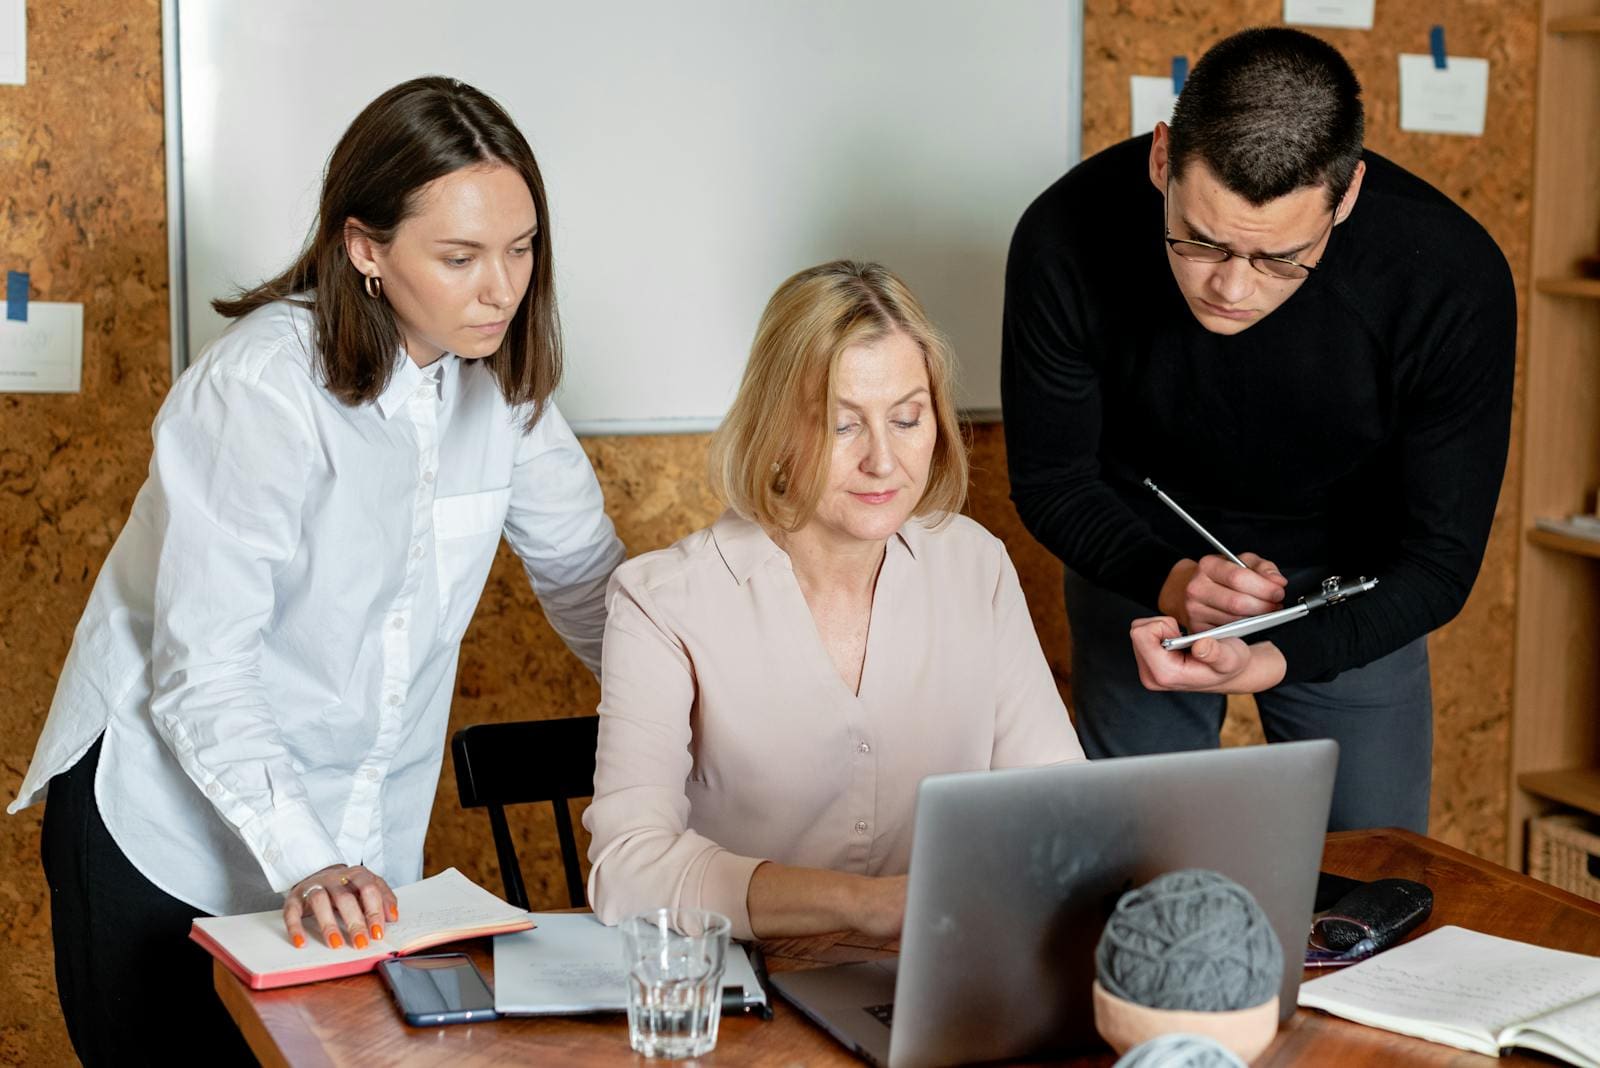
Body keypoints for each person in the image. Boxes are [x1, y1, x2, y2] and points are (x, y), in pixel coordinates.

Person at [8, 77, 624, 1065]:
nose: (501, 288)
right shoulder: (260, 392)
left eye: (522, 249)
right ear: (364, 248)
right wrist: (310, 860)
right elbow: (206, 668)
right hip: (166, 835)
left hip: (350, 851)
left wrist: (717, 723)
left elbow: (591, 583)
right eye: (460, 257)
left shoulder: (503, 388)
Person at [1001, 27, 1515, 834]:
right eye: (1201, 241)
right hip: (1140, 566)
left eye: (1278, 258)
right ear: (1163, 158)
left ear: (1345, 198)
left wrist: (1277, 654)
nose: (1232, 289)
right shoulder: (1065, 235)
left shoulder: (1448, 276)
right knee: (1132, 870)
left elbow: (1442, 560)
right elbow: (1051, 480)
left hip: (1357, 583)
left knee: (1371, 889)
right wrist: (1169, 579)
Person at [583, 260, 1084, 941]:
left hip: (934, 979)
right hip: (743, 997)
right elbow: (628, 869)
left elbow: (1059, 809)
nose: (884, 461)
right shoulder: (662, 602)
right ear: (776, 430)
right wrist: (864, 906)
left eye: (908, 418)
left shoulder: (975, 566)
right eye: (844, 426)